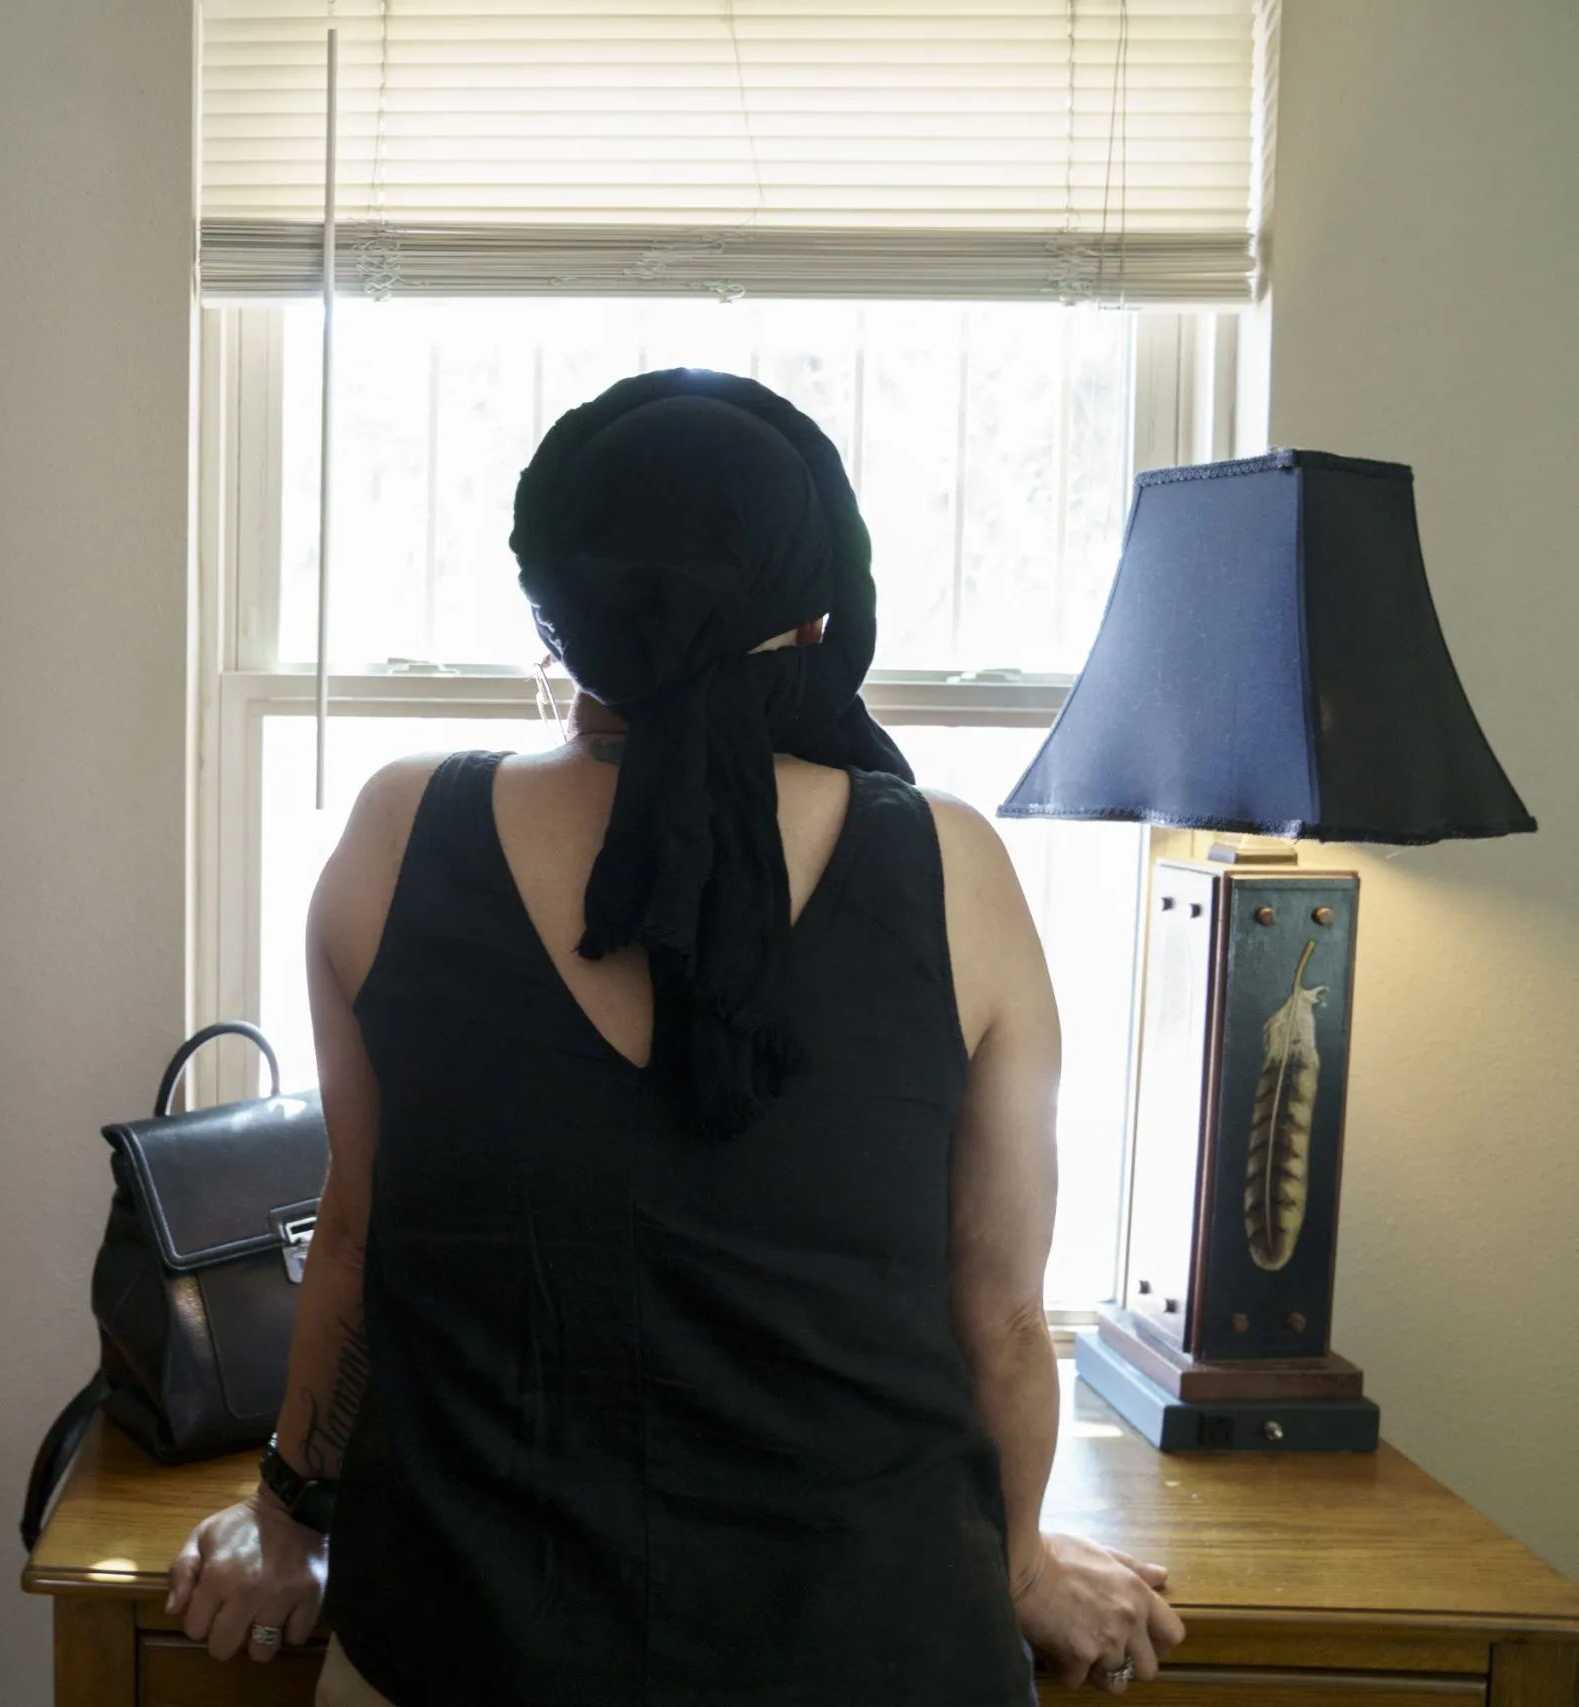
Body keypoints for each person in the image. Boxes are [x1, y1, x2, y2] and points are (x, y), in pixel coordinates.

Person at [166, 370, 1185, 1704]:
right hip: (871, 1652)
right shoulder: (955, 870)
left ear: (560, 618)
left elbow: (356, 1242)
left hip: (464, 1650)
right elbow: (996, 1316)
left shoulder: (393, 837)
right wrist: (1026, 1566)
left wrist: (290, 1515)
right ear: (814, 620)